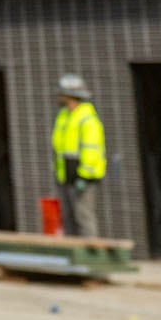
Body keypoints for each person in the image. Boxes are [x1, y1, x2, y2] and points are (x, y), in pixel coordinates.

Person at [51, 73, 105, 238]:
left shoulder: (87, 119)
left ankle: (89, 256)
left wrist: (84, 176)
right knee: (69, 218)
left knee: (84, 216)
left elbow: (92, 149)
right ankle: (74, 253)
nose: (59, 96)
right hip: (67, 174)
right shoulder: (64, 116)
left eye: (62, 93)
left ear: (70, 95)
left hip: (83, 177)